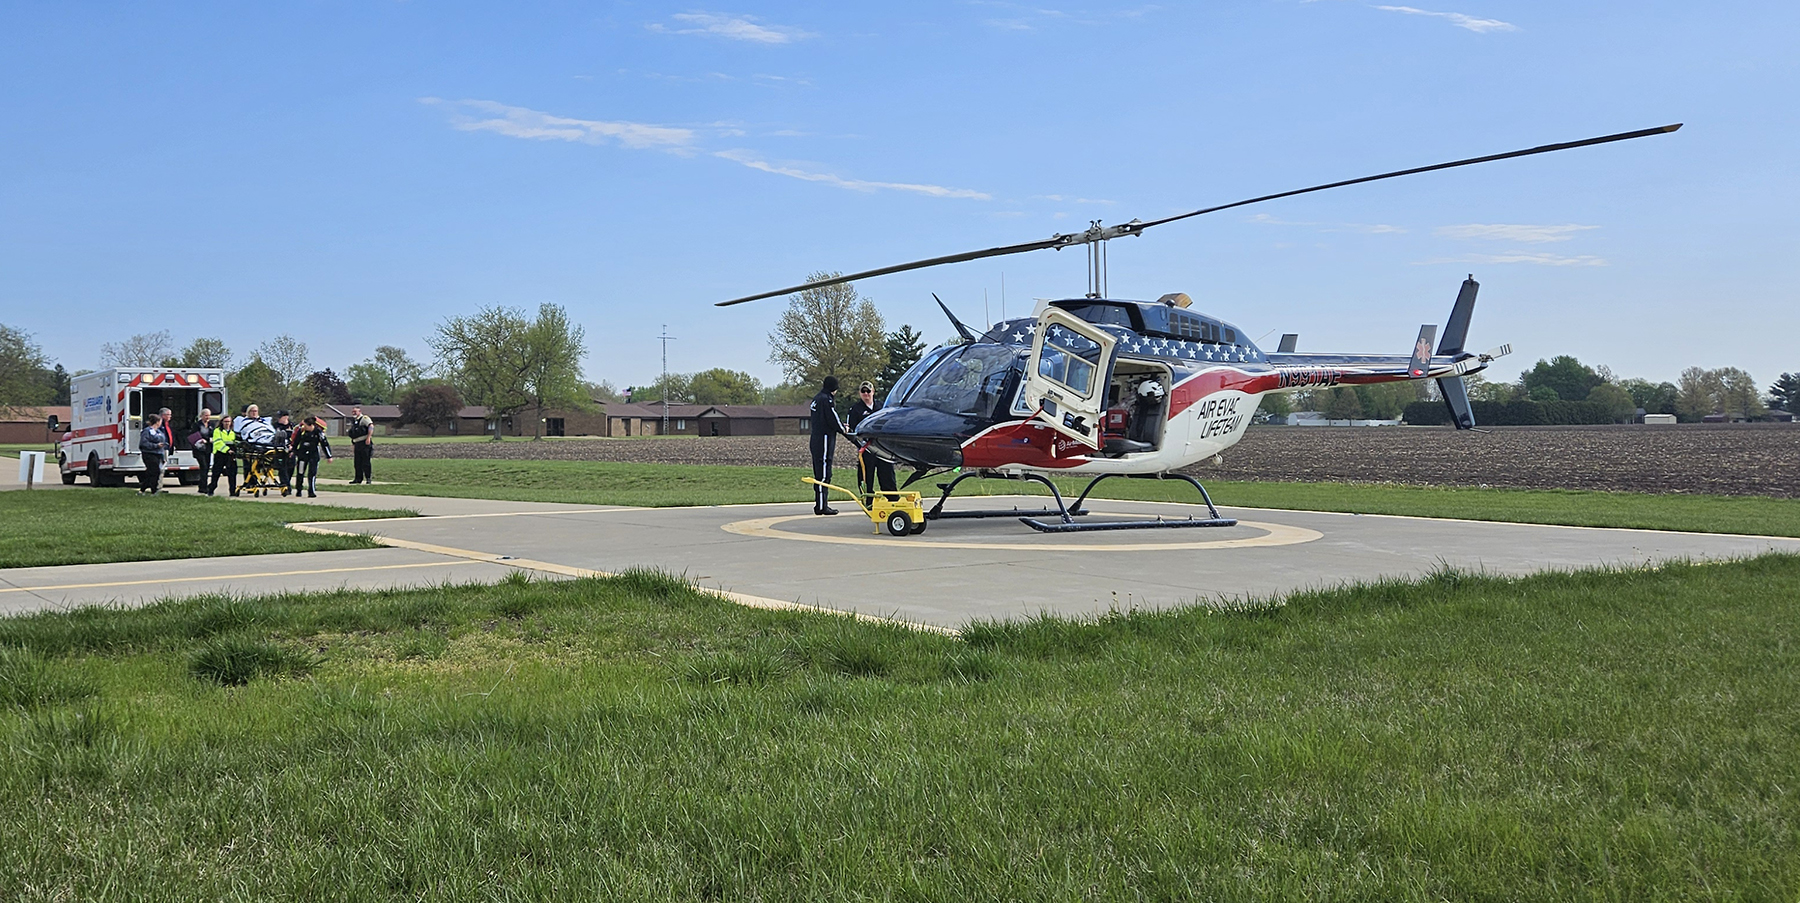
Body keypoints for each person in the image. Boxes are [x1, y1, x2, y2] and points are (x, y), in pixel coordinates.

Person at [845, 381, 896, 503]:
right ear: (860, 393)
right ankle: (868, 501)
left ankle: (893, 500)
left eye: (868, 391)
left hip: (883, 448)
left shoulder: (882, 407)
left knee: (887, 474)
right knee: (866, 476)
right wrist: (860, 445)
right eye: (863, 391)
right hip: (866, 448)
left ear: (873, 392)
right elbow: (851, 431)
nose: (866, 394)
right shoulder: (855, 410)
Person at [808, 376, 849, 515]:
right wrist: (843, 429)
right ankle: (821, 506)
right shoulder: (826, 400)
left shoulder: (816, 398)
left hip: (815, 438)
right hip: (824, 439)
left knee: (819, 472)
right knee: (824, 474)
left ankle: (820, 504)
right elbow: (832, 418)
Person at [289, 415, 333, 498]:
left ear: (310, 425)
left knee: (312, 473)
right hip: (302, 455)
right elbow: (296, 442)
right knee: (300, 472)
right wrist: (293, 451)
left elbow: (325, 444)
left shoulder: (318, 432)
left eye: (305, 425)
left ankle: (311, 491)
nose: (303, 427)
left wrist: (329, 456)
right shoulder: (301, 431)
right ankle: (299, 490)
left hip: (313, 455)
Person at [207, 414, 239, 497]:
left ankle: (232, 491)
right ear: (222, 422)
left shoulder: (233, 432)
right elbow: (218, 443)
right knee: (216, 473)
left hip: (231, 454)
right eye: (225, 421)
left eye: (229, 421)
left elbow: (236, 442)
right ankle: (211, 489)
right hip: (220, 454)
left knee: (232, 473)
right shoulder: (217, 431)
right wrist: (227, 450)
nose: (227, 423)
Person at [137, 412, 169, 494]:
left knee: (150, 472)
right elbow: (143, 443)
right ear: (157, 422)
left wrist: (163, 455)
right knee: (155, 471)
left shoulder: (159, 431)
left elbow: (162, 440)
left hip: (158, 454)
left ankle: (142, 489)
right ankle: (154, 490)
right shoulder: (147, 431)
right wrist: (155, 445)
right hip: (149, 453)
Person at [346, 405, 375, 484]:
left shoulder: (364, 419)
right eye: (353, 412)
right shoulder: (355, 421)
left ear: (360, 412)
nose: (354, 413)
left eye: (355, 411)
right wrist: (353, 444)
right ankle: (358, 479)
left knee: (366, 462)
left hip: (364, 443)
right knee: (357, 462)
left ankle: (368, 478)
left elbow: (371, 426)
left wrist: (368, 437)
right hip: (357, 443)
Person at [190, 408, 214, 494]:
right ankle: (203, 487)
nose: (207, 417)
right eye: (206, 415)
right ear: (202, 416)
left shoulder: (211, 425)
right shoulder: (197, 425)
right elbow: (194, 435)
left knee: (207, 467)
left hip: (207, 449)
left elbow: (213, 435)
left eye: (208, 415)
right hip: (199, 449)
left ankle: (203, 486)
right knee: (203, 466)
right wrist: (206, 439)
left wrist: (207, 440)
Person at [272, 410, 295, 493]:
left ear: (286, 417)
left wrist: (292, 448)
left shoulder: (292, 426)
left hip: (291, 450)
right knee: (282, 469)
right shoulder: (275, 426)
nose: (279, 419)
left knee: (291, 468)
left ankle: (286, 483)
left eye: (280, 417)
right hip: (280, 451)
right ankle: (286, 487)